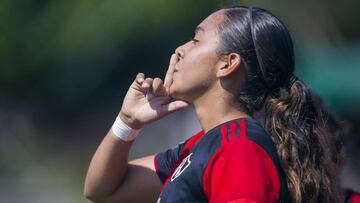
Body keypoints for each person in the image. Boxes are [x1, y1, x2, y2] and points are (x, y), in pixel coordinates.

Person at [84, 6, 341, 203]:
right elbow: (102, 190)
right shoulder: (202, 146)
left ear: (228, 64)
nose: (180, 49)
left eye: (196, 40)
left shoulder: (239, 148)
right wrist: (128, 123)